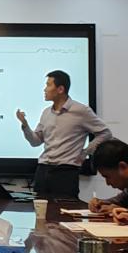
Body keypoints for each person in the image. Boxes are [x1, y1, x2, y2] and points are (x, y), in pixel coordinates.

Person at [16, 70, 111, 199]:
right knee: (39, 207)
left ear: (60, 89)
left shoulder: (81, 111)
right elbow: (35, 141)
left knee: (65, 208)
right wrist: (25, 125)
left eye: (48, 85)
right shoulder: (46, 112)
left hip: (65, 171)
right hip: (43, 169)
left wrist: (85, 152)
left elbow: (105, 133)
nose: (45, 89)